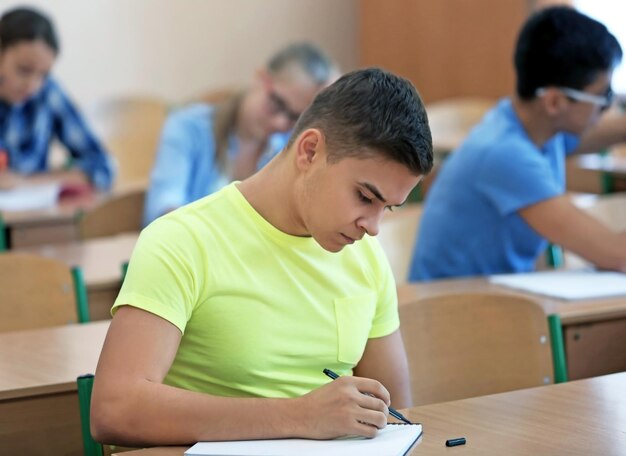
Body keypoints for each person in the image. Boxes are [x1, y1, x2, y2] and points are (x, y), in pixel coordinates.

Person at [91, 68, 433, 446]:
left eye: (389, 208)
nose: (372, 226)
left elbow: (397, 417)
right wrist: (299, 416)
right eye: (365, 197)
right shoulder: (181, 241)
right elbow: (115, 409)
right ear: (309, 151)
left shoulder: (366, 256)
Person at [409, 6, 626, 281]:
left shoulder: (534, 127)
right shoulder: (506, 155)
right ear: (555, 101)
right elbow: (617, 255)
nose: (608, 108)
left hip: (496, 300)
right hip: (454, 311)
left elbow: (597, 132)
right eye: (603, 97)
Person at [143, 42, 339, 225]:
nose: (280, 122)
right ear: (261, 78)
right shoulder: (188, 127)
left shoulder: (294, 148)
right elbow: (163, 210)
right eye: (277, 103)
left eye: (294, 117)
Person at [0, 7, 114, 191]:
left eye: (43, 75)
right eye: (24, 70)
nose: (32, 85)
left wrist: (25, 183)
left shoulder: (48, 94)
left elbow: (103, 166)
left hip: (33, 216)